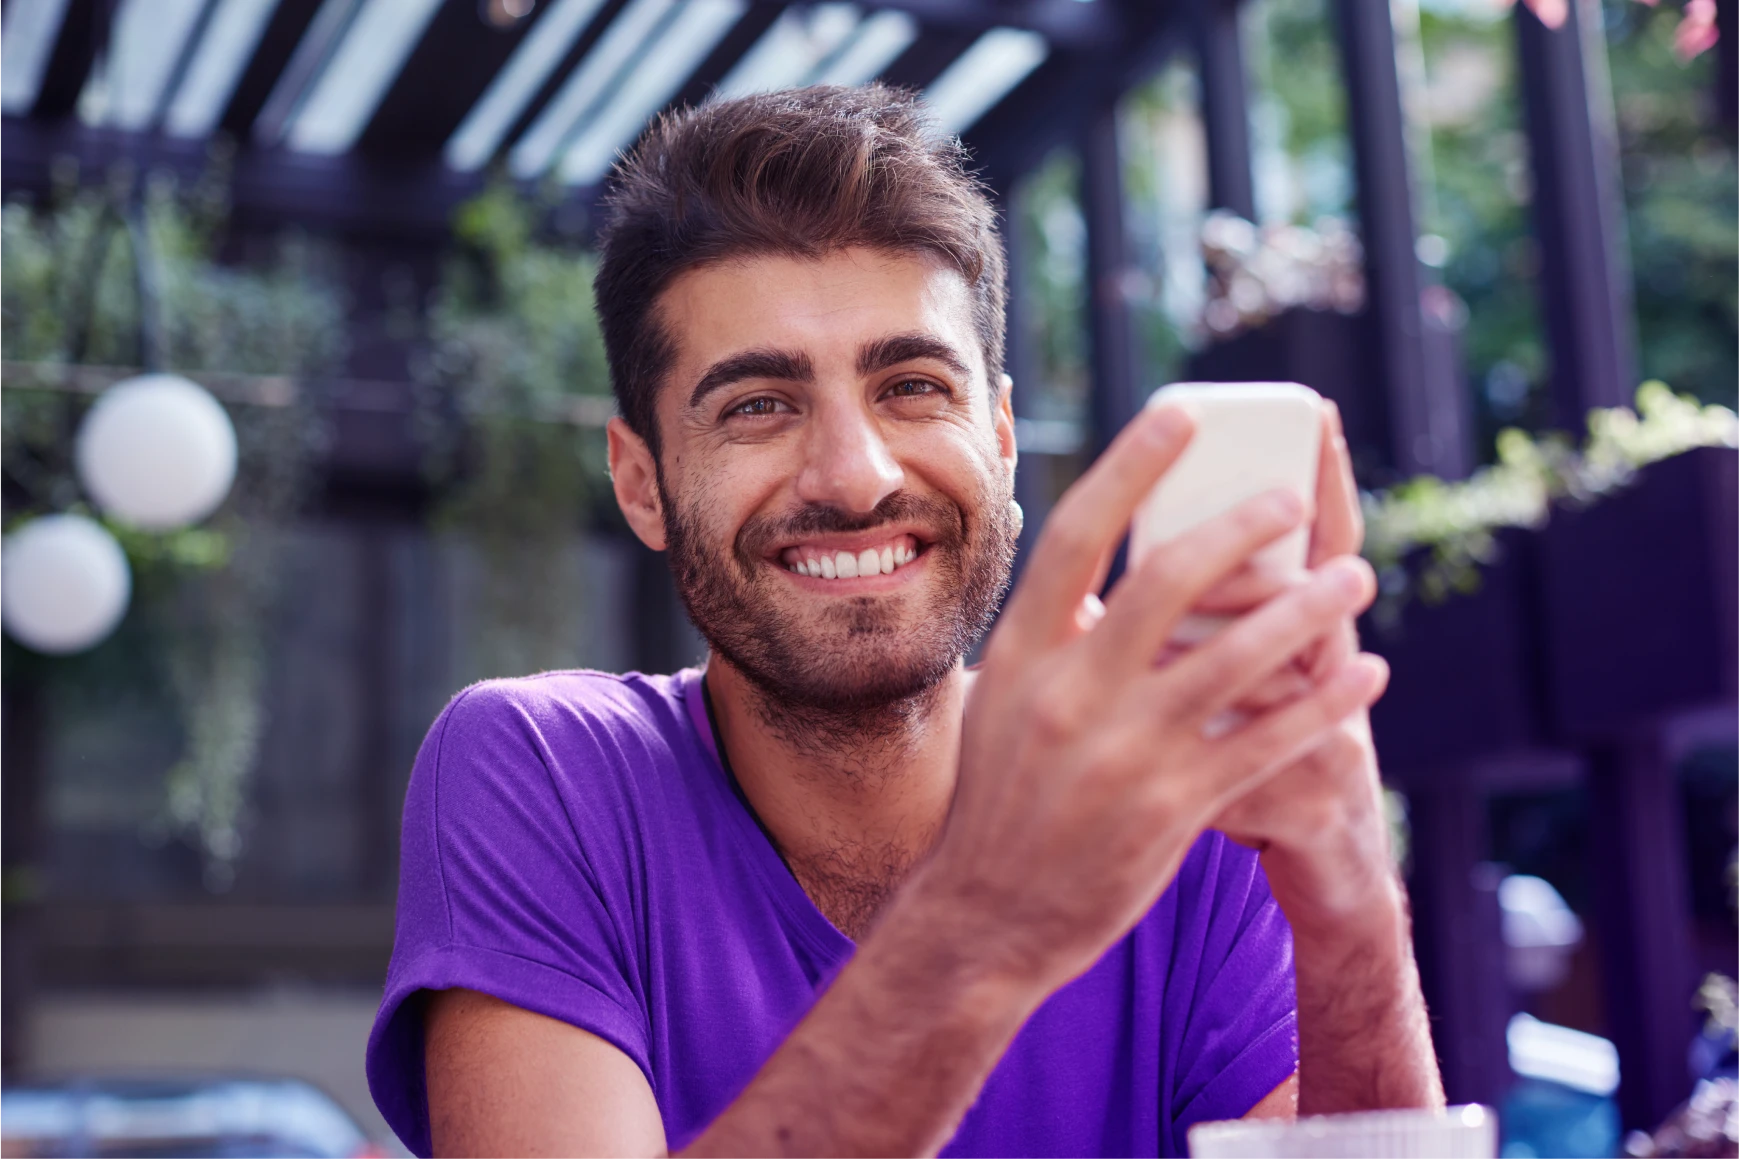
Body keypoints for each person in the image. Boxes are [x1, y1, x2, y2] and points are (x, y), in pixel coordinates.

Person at [365, 85, 1442, 1158]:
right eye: (757, 406)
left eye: (913, 386)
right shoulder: (547, 770)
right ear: (640, 483)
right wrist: (990, 911)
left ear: (1003, 438)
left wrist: (1347, 900)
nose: (853, 475)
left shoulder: (1187, 813)